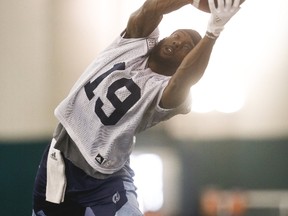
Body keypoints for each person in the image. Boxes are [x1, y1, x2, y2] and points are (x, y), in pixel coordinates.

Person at [32, 0, 242, 215]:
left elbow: (183, 81)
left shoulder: (166, 91)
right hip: (60, 157)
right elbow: (151, 9)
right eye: (177, 35)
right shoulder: (132, 45)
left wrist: (213, 32)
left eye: (186, 47)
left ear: (186, 61)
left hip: (104, 177)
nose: (178, 42)